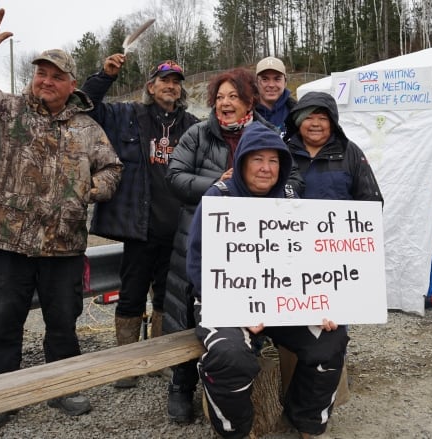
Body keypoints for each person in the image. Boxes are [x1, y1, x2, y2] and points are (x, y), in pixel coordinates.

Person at [0, 2, 122, 431]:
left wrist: (91, 190)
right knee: (4, 322)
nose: (46, 80)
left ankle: (61, 387)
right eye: (41, 73)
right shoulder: (7, 112)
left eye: (56, 76)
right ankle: (1, 396)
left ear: (72, 84)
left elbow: (112, 167)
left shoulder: (86, 127)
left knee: (64, 322)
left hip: (64, 245)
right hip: (10, 242)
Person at [186, 123, 347, 439]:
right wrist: (236, 309)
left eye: (274, 161)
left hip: (282, 301)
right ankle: (237, 429)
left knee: (330, 339)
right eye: (257, 159)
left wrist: (322, 300)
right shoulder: (218, 198)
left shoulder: (291, 201)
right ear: (242, 161)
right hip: (225, 302)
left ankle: (307, 422)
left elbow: (306, 259)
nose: (265, 168)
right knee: (227, 355)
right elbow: (197, 262)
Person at [164, 67, 304, 423]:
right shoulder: (196, 134)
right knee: (187, 313)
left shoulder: (268, 133)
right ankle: (181, 388)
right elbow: (175, 176)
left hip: (258, 243)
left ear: (249, 102)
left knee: (251, 314)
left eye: (234, 97)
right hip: (198, 236)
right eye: (220, 97)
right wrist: (219, 183)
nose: (226, 104)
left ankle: (244, 380)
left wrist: (277, 197)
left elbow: (294, 175)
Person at [81, 55, 199, 388]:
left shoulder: (191, 124)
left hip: (177, 230)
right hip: (139, 228)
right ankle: (126, 365)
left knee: (166, 298)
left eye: (176, 82)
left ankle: (156, 360)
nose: (171, 86)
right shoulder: (127, 116)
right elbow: (88, 108)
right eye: (164, 81)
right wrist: (104, 75)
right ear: (151, 86)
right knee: (131, 296)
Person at [284, 91, 383, 203]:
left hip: (341, 220)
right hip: (295, 220)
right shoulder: (284, 153)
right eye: (308, 118)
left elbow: (371, 199)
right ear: (298, 122)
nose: (315, 124)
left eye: (323, 118)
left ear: (332, 124)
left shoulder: (350, 151)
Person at [254, 56, 296, 137]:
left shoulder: (296, 113)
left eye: (277, 79)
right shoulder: (246, 114)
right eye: (265, 79)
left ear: (285, 82)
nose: (271, 85)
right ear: (256, 82)